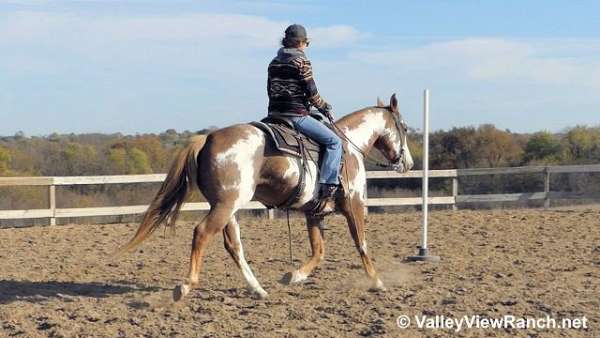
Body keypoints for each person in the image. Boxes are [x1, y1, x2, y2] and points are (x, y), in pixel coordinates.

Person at [267, 24, 342, 203]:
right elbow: (312, 92)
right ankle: (328, 184)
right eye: (306, 43)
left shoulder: (273, 62)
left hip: (273, 115)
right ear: (301, 43)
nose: (306, 46)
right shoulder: (302, 62)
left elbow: (270, 90)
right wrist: (325, 107)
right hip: (296, 116)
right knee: (334, 142)